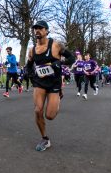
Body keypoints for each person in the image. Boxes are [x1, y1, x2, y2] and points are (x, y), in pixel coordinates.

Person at [26, 20, 75, 151]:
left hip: (54, 83)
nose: (37, 30)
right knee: (37, 110)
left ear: (46, 31)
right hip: (39, 83)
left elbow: (71, 58)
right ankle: (45, 139)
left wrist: (60, 63)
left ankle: (58, 96)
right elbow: (29, 65)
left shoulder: (56, 45)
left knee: (50, 116)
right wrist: (31, 76)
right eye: (35, 28)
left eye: (40, 28)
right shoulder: (32, 50)